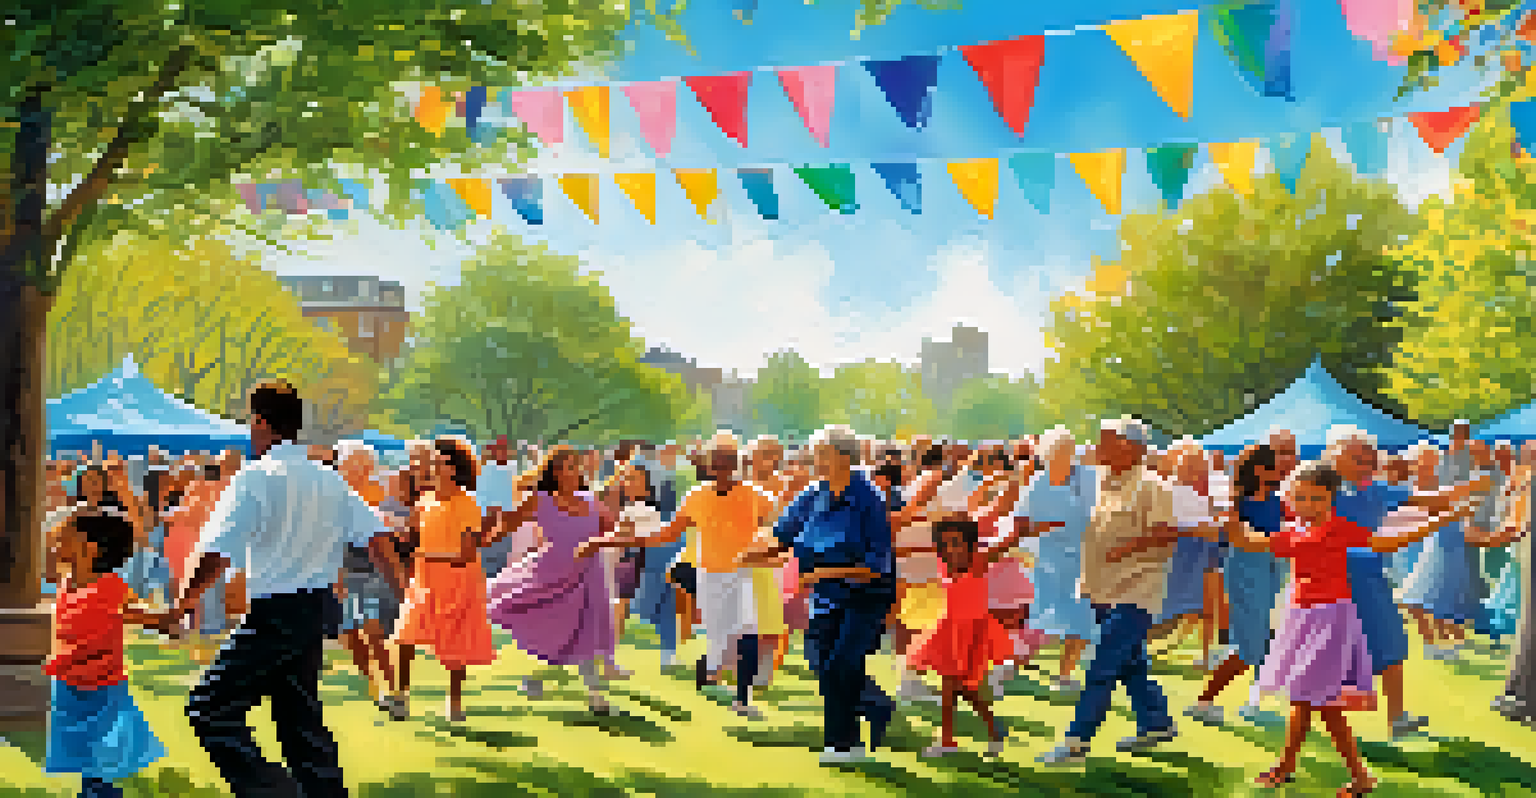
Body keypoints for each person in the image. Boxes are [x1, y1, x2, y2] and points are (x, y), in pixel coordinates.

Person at [174, 381, 387, 798]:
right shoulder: (328, 480)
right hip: (317, 607)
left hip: (276, 612)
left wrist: (183, 602)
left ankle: (276, 792)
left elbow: (217, 550)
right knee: (298, 719)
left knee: (209, 708)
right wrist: (404, 584)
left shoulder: (254, 477)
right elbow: (377, 537)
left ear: (260, 423)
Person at [1229, 461, 1462, 795]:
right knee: (1301, 699)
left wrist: (1441, 519)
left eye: (1316, 499)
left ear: (1331, 499)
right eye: (1300, 498)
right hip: (1298, 619)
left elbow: (1387, 544)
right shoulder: (1292, 530)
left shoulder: (1340, 529)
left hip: (1329, 620)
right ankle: (1288, 765)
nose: (1308, 505)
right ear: (1291, 499)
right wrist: (1231, 500)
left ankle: (1358, 776)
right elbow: (1247, 540)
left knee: (1322, 702)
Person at [584, 432, 777, 720]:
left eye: (727, 462)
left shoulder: (757, 496)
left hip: (743, 574)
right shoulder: (697, 496)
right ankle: (710, 676)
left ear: (736, 464)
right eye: (717, 463)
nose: (722, 468)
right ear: (709, 465)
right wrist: (620, 540)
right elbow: (668, 533)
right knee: (719, 638)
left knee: (746, 632)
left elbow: (775, 530)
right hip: (710, 575)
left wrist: (770, 550)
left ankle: (743, 699)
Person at [735, 425, 895, 765]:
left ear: (842, 456)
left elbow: (876, 565)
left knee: (843, 665)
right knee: (822, 665)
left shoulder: (869, 498)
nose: (813, 458)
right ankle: (874, 709)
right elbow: (781, 538)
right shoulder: (812, 493)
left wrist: (823, 572)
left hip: (866, 594)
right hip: (824, 595)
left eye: (820, 453)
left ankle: (841, 746)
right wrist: (749, 554)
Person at [1039, 417, 1187, 766]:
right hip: (1102, 590)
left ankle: (1076, 742)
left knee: (1102, 665)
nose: (1096, 447)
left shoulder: (1153, 486)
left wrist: (1128, 548)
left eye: (1104, 441)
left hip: (1136, 590)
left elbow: (1168, 533)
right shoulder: (1102, 482)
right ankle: (1156, 722)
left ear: (1128, 446)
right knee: (1131, 664)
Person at [1324, 427, 1486, 739]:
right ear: (1335, 455)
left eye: (1367, 456)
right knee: (1331, 653)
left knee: (1392, 645)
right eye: (1357, 456)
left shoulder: (1377, 490)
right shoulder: (1320, 488)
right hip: (1330, 581)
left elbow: (1428, 499)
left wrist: (1468, 489)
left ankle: (1397, 720)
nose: (1365, 461)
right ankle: (1324, 726)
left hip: (1370, 577)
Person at [902, 513, 1060, 758]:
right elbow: (920, 546)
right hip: (949, 629)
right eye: (945, 543)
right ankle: (987, 730)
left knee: (955, 686)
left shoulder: (979, 561)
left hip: (973, 631)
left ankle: (954, 739)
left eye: (957, 542)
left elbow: (1007, 543)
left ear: (970, 543)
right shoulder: (942, 561)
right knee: (959, 687)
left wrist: (1021, 530)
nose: (951, 548)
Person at [43, 510, 175, 798]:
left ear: (89, 548)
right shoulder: (65, 583)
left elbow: (133, 613)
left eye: (64, 537)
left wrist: (166, 619)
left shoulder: (110, 586)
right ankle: (91, 789)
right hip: (67, 681)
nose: (55, 542)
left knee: (101, 746)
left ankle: (100, 791)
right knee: (76, 743)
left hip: (103, 683)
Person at [486, 446, 618, 714]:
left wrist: (604, 539)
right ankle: (531, 677)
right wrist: (482, 538)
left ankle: (595, 695)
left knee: (588, 633)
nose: (575, 471)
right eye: (568, 466)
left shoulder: (592, 502)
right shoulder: (539, 500)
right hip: (550, 574)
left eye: (577, 466)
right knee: (541, 626)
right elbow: (506, 527)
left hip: (588, 575)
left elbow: (612, 532)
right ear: (555, 472)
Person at [391, 437, 498, 722]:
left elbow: (464, 555)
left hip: (459, 580)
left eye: (437, 461)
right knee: (405, 637)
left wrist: (422, 553)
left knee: (456, 645)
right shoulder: (423, 499)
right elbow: (412, 538)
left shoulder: (467, 504)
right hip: (424, 579)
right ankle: (400, 697)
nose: (431, 466)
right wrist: (402, 538)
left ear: (452, 468)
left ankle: (455, 703)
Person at [1186, 443, 1291, 728]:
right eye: (1277, 464)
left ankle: (1254, 703)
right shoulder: (1236, 500)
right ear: (1259, 469)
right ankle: (1203, 702)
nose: (1284, 469)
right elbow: (1237, 537)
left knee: (1268, 639)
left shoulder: (1277, 500)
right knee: (1250, 647)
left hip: (1273, 568)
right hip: (1246, 568)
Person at [1011, 427, 1098, 694]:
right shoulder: (1037, 484)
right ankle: (1012, 665)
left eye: (1068, 450)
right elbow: (1020, 525)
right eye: (1058, 451)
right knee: (1043, 617)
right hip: (1049, 559)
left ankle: (1065, 674)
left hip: (1085, 560)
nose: (1064, 455)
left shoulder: (1088, 477)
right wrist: (1047, 527)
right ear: (1046, 455)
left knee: (1082, 618)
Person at [333, 442, 401, 713]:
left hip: (371, 570)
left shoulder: (378, 493)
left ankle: (393, 688)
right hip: (342, 570)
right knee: (349, 633)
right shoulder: (333, 495)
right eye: (352, 463)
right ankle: (372, 683)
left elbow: (389, 528)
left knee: (375, 631)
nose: (357, 469)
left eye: (362, 463)